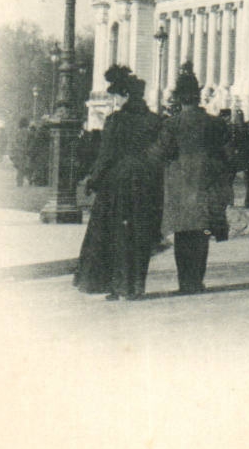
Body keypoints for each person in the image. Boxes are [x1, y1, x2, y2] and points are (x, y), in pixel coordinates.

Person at [75, 67, 164, 300]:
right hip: (146, 182)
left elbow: (106, 155)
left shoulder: (116, 121)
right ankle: (135, 286)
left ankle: (117, 286)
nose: (114, 100)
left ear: (124, 95)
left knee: (115, 235)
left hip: (118, 183)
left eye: (116, 96)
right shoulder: (154, 120)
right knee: (140, 233)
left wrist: (93, 180)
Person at [156, 66, 230, 294]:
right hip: (206, 184)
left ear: (179, 98)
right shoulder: (215, 123)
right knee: (202, 233)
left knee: (182, 235)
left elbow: (162, 152)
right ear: (198, 96)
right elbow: (226, 154)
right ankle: (197, 281)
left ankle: (185, 282)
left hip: (179, 186)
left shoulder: (171, 124)